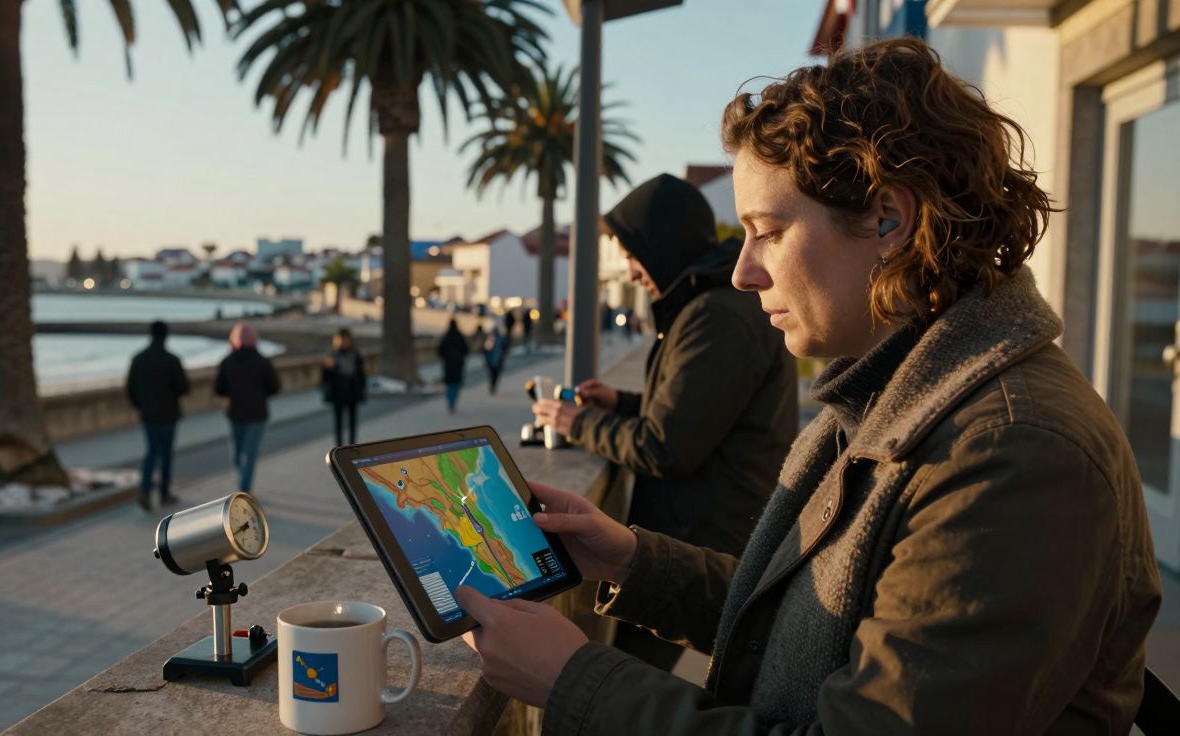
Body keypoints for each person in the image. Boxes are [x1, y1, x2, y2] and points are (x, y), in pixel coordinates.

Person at [461, 38, 1162, 734]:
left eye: (766, 231)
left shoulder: (1012, 454)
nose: (742, 272)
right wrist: (633, 561)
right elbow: (809, 624)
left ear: (888, 220)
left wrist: (574, 680)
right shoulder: (886, 394)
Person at [533, 173, 798, 671]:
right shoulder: (709, 305)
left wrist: (576, 422)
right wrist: (621, 402)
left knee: (629, 677)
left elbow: (665, 447)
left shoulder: (715, 317)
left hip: (701, 548)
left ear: (662, 246)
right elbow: (697, 407)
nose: (632, 273)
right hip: (703, 536)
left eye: (634, 256)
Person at [126, 320, 189, 511]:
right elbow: (183, 387)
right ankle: (164, 493)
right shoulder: (172, 360)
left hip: (149, 414)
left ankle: (145, 491)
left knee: (151, 452)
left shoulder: (139, 359)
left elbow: (130, 387)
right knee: (166, 453)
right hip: (168, 413)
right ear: (165, 336)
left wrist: (140, 405)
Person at [214, 322, 280, 492]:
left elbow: (219, 388)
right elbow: (274, 387)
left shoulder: (227, 361)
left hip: (235, 413)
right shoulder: (262, 361)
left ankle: (242, 485)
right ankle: (244, 488)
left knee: (237, 454)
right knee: (249, 455)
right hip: (257, 414)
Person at [322, 327, 366, 445]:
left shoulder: (355, 355)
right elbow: (325, 378)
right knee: (338, 422)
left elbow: (361, 375)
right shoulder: (332, 356)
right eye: (341, 339)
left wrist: (362, 391)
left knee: (352, 422)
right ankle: (339, 447)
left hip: (352, 392)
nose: (343, 342)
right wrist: (329, 368)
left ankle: (352, 445)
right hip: (337, 393)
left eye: (346, 339)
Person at [438, 318, 470, 414]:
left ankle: (450, 402)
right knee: (456, 383)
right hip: (458, 363)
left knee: (449, 383)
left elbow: (440, 351)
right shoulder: (460, 337)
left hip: (448, 363)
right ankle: (453, 401)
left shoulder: (446, 337)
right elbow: (466, 349)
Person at [482, 320, 507, 395]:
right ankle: (493, 385)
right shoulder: (491, 338)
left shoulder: (498, 338)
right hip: (495, 359)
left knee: (493, 374)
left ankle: (493, 385)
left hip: (495, 359)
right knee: (494, 374)